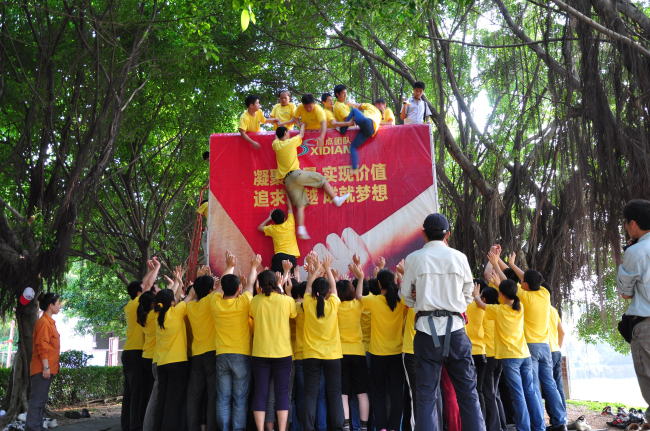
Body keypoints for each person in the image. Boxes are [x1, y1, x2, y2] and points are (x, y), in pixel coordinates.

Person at [400, 213, 485, 431]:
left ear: (423, 234)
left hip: (425, 332)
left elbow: (405, 296)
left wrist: (421, 302)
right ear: (448, 234)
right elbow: (468, 293)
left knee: (426, 394)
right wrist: (455, 306)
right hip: (456, 330)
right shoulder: (459, 257)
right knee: (467, 392)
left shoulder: (414, 259)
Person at [496, 251, 566, 431]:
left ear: (525, 285)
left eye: (523, 282)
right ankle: (560, 420)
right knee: (550, 384)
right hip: (545, 346)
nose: (521, 283)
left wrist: (496, 263)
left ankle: (538, 425)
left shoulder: (524, 297)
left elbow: (507, 285)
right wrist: (512, 265)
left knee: (532, 388)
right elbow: (526, 279)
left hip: (530, 347)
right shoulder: (544, 294)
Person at [473, 279, 544, 431]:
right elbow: (508, 293)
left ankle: (524, 428)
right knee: (530, 392)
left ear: (502, 294)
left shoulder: (498, 310)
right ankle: (539, 427)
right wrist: (498, 283)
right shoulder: (520, 307)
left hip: (510, 358)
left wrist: (476, 295)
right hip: (524, 355)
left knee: (518, 394)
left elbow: (480, 304)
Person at [271, 124, 350, 240]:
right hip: (296, 174)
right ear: (285, 133)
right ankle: (336, 199)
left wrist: (278, 130)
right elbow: (301, 134)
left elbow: (276, 137)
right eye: (288, 132)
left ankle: (301, 229)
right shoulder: (291, 141)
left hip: (287, 181)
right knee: (322, 179)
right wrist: (302, 125)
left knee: (300, 205)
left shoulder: (275, 145)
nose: (289, 133)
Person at [213, 254, 259, 431]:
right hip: (241, 355)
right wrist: (253, 266)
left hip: (221, 355)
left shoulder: (215, 303)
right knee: (240, 398)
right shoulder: (244, 301)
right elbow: (250, 284)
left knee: (223, 398)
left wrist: (229, 266)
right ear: (239, 288)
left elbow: (220, 288)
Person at [250, 269, 298, 431]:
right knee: (282, 393)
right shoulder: (286, 301)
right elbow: (293, 314)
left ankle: (260, 429)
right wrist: (282, 289)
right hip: (283, 353)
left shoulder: (255, 301)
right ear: (277, 283)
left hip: (260, 352)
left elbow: (252, 314)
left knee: (260, 392)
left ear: (259, 285)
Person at [301, 254, 345, 431]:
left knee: (310, 394)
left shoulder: (307, 303)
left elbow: (309, 286)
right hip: (332, 356)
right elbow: (334, 287)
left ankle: (308, 427)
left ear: (314, 292)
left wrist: (317, 269)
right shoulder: (333, 303)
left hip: (311, 355)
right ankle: (338, 427)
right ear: (328, 293)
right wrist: (327, 268)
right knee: (334, 393)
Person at [361, 269, 407, 431]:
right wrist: (403, 276)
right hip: (397, 353)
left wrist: (361, 277)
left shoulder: (374, 301)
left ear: (379, 284)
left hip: (377, 354)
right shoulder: (401, 301)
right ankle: (394, 427)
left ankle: (381, 427)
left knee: (378, 393)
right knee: (396, 393)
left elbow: (358, 296)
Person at [617, 199, 650, 422]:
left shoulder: (636, 251)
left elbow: (626, 293)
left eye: (626, 223)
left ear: (634, 224)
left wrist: (629, 251)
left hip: (646, 326)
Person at [122, 257, 161, 431]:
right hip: (136, 352)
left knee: (130, 393)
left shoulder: (131, 305)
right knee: (138, 393)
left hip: (129, 352)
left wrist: (150, 270)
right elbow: (146, 285)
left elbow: (144, 284)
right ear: (140, 292)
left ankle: (128, 425)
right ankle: (136, 426)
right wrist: (157, 268)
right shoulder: (138, 303)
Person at [153, 269, 192, 431]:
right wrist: (180, 282)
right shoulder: (177, 312)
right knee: (174, 401)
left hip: (162, 364)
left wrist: (178, 281)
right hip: (177, 364)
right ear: (172, 302)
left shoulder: (157, 316)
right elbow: (190, 295)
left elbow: (172, 298)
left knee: (162, 399)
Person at [335, 261, 370, 431]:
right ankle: (364, 426)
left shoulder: (335, 306)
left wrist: (334, 279)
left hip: (340, 353)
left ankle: (347, 425)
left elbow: (334, 295)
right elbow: (359, 295)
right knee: (362, 392)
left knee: (343, 393)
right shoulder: (358, 305)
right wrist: (360, 278)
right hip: (358, 352)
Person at [186, 273, 218, 431]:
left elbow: (187, 299)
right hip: (212, 353)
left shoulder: (190, 306)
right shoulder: (210, 300)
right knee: (213, 394)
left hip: (196, 354)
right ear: (210, 290)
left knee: (195, 395)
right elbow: (222, 288)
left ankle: (193, 427)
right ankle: (211, 427)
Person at [26, 293, 61, 431]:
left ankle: (36, 427)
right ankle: (33, 427)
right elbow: (42, 346)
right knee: (37, 401)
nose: (60, 306)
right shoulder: (44, 323)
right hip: (42, 369)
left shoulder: (49, 322)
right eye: (58, 303)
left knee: (40, 401)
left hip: (47, 368)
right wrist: (46, 367)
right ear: (51, 305)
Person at [480, 285, 508, 431]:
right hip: (500, 356)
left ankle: (494, 427)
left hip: (489, 356)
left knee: (489, 393)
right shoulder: (500, 312)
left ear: (484, 299)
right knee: (495, 393)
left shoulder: (484, 313)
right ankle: (502, 424)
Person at [258, 200, 300, 274]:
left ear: (273, 220)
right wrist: (288, 195)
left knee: (275, 279)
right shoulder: (290, 223)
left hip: (279, 257)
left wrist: (269, 218)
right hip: (291, 257)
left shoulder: (272, 229)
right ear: (284, 218)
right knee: (290, 278)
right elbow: (290, 209)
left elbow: (259, 227)